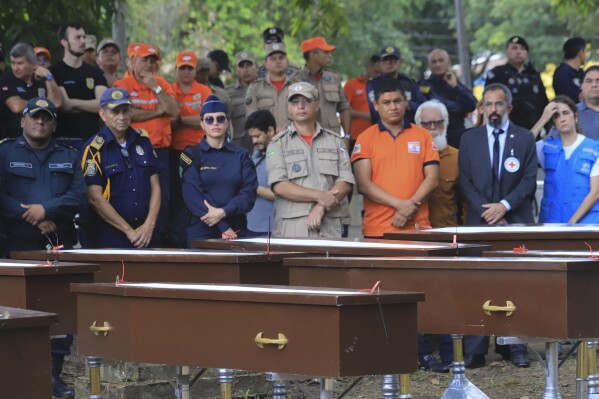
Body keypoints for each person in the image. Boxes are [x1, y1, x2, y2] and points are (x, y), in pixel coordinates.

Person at [0, 97, 86, 398]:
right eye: (34, 117)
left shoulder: (69, 154)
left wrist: (46, 209)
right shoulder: (4, 151)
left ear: (54, 124)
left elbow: (78, 195)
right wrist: (36, 217)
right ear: (22, 120)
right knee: (14, 313)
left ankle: (53, 377)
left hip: (55, 247)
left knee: (59, 313)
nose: (40, 122)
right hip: (15, 246)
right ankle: (17, 374)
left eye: (46, 118)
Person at [459, 83, 537, 369]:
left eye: (499, 104)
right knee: (478, 283)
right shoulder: (469, 139)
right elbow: (465, 182)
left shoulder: (525, 138)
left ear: (509, 107)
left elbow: (529, 181)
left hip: (515, 221)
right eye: (488, 104)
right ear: (481, 108)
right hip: (480, 223)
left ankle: (514, 346)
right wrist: (489, 212)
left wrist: (504, 206)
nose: (493, 110)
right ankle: (476, 349)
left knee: (515, 282)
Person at [352, 77, 439, 238]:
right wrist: (401, 206)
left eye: (398, 101)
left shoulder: (423, 136)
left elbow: (432, 179)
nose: (393, 107)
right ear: (376, 105)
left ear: (406, 102)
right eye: (386, 102)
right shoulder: (365, 138)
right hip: (378, 228)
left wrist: (409, 207)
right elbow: (363, 184)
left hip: (418, 226)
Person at [266, 82, 354, 237]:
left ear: (317, 105)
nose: (300, 106)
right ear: (289, 108)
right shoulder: (277, 144)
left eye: (306, 101)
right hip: (292, 230)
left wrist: (320, 207)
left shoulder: (335, 141)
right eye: (295, 102)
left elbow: (345, 182)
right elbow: (280, 186)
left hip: (329, 227)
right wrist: (320, 196)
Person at [114, 43, 179, 244]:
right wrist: (158, 111)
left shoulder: (161, 83)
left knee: (163, 198)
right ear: (132, 61)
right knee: (135, 196)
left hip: (160, 150)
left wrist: (155, 87)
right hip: (131, 150)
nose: (149, 65)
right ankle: (135, 239)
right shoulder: (122, 86)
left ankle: (157, 241)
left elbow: (174, 110)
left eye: (153, 61)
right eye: (144, 60)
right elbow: (126, 115)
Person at [80, 87, 162, 248]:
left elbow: (156, 187)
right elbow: (95, 198)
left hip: (146, 234)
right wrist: (129, 231)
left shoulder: (143, 141)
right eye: (115, 112)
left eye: (126, 111)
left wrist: (149, 225)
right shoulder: (93, 149)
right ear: (102, 114)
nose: (122, 117)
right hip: (112, 235)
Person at [412, 100, 457, 372]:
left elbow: (463, 202)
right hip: (415, 237)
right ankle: (422, 353)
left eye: (437, 122)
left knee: (446, 295)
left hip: (446, 237)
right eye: (426, 124)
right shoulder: (409, 154)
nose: (432, 128)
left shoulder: (456, 156)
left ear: (445, 124)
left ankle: (451, 353)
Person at [180, 95, 257, 244]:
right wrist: (223, 227)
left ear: (227, 122)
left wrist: (223, 212)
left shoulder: (241, 155)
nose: (215, 123)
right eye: (209, 119)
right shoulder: (190, 154)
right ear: (202, 123)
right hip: (201, 231)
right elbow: (193, 195)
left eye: (220, 119)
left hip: (236, 229)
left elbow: (249, 193)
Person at [168, 50, 212, 247]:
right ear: (176, 69)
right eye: (182, 68)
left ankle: (200, 233)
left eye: (190, 68)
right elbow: (167, 120)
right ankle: (176, 237)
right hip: (174, 151)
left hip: (199, 151)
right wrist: (193, 120)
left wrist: (181, 120)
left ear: (195, 71)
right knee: (176, 196)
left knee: (200, 192)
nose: (186, 71)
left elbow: (207, 118)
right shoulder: (169, 90)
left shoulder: (204, 90)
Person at [531, 95, 599, 223]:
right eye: (556, 116)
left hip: (586, 224)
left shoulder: (595, 148)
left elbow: (596, 192)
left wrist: (571, 224)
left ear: (576, 116)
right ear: (553, 124)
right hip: (551, 222)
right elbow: (519, 149)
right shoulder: (544, 147)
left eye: (566, 113)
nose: (562, 119)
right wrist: (543, 120)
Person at [50, 23, 107, 148]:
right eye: (77, 38)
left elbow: (104, 105)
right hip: (61, 142)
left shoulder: (95, 72)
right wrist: (90, 105)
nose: (83, 41)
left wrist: (74, 103)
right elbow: (63, 105)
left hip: (92, 141)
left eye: (83, 37)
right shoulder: (53, 71)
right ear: (64, 42)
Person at [485, 36, 548, 131]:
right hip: (506, 129)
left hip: (535, 130)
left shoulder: (534, 75)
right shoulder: (497, 74)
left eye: (522, 49)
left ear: (526, 53)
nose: (519, 52)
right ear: (506, 51)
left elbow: (543, 102)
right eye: (514, 48)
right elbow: (490, 104)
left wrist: (547, 128)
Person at [0, 43, 62, 139]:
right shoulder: (6, 81)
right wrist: (46, 103)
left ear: (33, 64)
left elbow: (57, 103)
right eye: (13, 63)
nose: (15, 68)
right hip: (13, 143)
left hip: (44, 143)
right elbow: (17, 107)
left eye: (20, 63)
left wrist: (48, 76)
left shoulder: (44, 81)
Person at [292, 36, 351, 136]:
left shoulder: (333, 78)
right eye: (326, 52)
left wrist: (347, 136)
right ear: (313, 55)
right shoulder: (295, 80)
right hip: (306, 139)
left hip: (333, 137)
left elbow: (344, 107)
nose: (330, 56)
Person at [420, 48, 477, 148]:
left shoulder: (455, 83)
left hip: (458, 135)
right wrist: (460, 107)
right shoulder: (425, 86)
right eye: (434, 62)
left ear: (449, 62)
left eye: (441, 60)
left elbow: (472, 104)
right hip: (436, 136)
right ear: (429, 65)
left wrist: (455, 86)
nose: (438, 64)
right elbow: (439, 107)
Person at [366, 46, 425, 126]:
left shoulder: (410, 83)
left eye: (394, 60)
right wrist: (401, 105)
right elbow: (376, 110)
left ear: (401, 62)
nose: (389, 63)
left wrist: (409, 104)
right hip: (382, 131)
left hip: (410, 129)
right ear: (380, 63)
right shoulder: (373, 84)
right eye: (385, 60)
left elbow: (423, 107)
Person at [245, 42, 294, 133]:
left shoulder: (297, 87)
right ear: (266, 64)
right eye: (273, 59)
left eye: (281, 58)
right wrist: (271, 131)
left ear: (287, 61)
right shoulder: (255, 88)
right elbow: (252, 117)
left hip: (293, 140)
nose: (278, 61)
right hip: (266, 141)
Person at [245, 110, 277, 236]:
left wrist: (252, 186)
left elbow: (281, 193)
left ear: (270, 131)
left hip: (271, 229)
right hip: (251, 225)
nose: (254, 141)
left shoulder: (281, 155)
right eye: (252, 137)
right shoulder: (256, 153)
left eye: (257, 136)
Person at [344, 54, 380, 147]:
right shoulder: (352, 84)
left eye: (380, 72)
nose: (378, 74)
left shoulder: (383, 86)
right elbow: (345, 110)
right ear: (367, 67)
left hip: (379, 137)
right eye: (376, 71)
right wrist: (371, 115)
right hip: (356, 137)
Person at [226, 51, 258, 152]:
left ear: (257, 67)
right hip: (238, 148)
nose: (246, 69)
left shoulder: (266, 89)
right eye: (242, 66)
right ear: (237, 70)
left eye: (249, 65)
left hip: (263, 148)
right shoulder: (228, 93)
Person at [553, 37, 586, 103]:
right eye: (585, 51)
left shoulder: (581, 73)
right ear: (581, 52)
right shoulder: (562, 73)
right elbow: (577, 97)